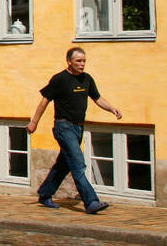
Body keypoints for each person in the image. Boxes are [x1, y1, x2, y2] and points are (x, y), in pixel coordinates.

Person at [26, 47, 122, 214]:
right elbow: (44, 101)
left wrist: (112, 109)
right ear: (69, 61)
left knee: (64, 164)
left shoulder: (87, 79)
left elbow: (97, 98)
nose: (82, 64)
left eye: (84, 61)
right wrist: (34, 122)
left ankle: (45, 193)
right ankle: (91, 202)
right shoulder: (60, 79)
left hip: (78, 128)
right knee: (78, 163)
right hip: (64, 127)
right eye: (78, 61)